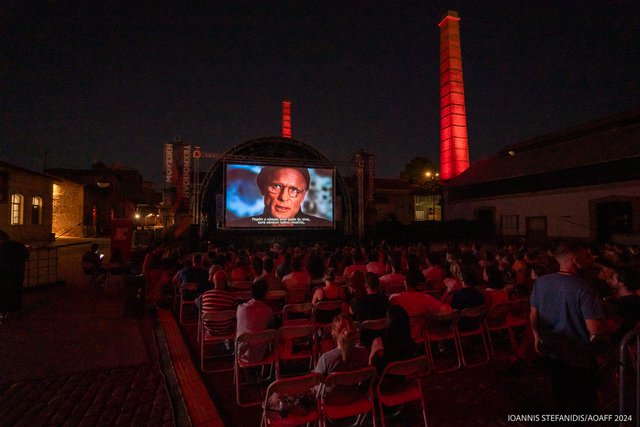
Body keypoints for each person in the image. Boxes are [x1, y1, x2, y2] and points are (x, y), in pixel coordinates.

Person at [530, 243, 606, 414]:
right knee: (582, 400)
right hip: (578, 354)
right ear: (575, 259)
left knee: (560, 392)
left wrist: (537, 336)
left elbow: (534, 315)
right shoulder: (584, 287)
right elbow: (594, 328)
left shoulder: (540, 282)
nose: (588, 259)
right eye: (585, 256)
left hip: (552, 349)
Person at [230, 166, 332, 227]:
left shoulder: (324, 225)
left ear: (303, 196)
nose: (283, 197)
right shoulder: (237, 225)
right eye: (276, 186)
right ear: (262, 188)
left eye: (294, 190)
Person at [389, 270, 452, 342]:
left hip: (399, 337)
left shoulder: (394, 298)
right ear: (418, 283)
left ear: (405, 282)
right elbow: (446, 310)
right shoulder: (425, 298)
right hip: (419, 335)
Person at [236, 279, 276, 364]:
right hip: (261, 354)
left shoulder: (240, 308)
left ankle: (249, 373)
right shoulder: (268, 311)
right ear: (266, 294)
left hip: (242, 354)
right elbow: (272, 327)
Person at [369, 305, 416, 373]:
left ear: (389, 320)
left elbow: (370, 365)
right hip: (403, 376)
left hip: (384, 378)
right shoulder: (411, 343)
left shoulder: (379, 342)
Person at [0, 230, 29, 322]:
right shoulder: (19, 245)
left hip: (6, 275)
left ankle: (5, 313)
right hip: (18, 274)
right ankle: (13, 311)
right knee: (16, 292)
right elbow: (26, 255)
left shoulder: (2, 247)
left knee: (5, 293)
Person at [196, 270, 236, 335]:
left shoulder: (204, 295)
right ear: (225, 282)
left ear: (214, 281)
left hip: (209, 330)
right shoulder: (231, 297)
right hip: (227, 330)